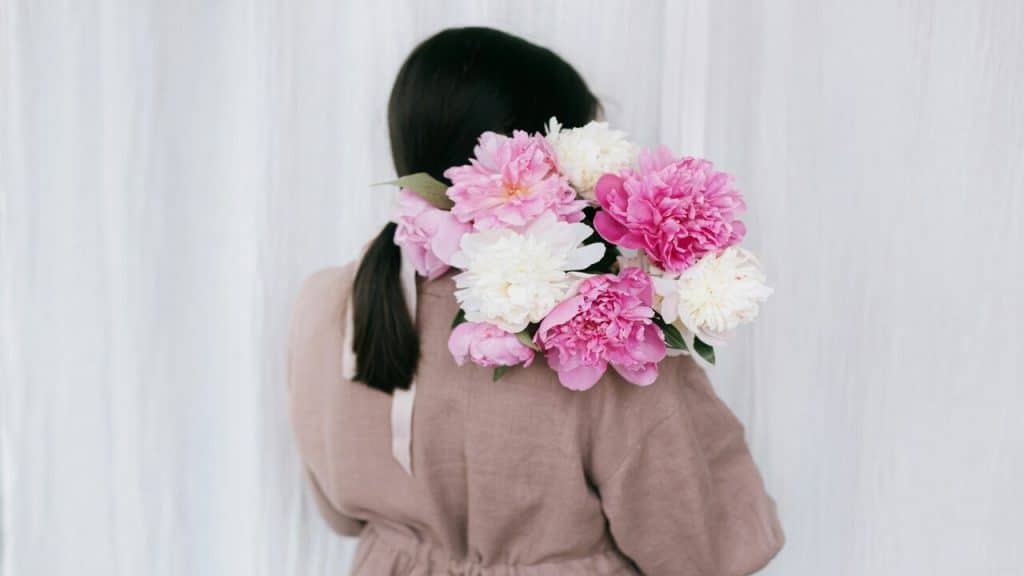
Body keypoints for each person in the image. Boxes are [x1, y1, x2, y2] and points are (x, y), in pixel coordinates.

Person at [287, 26, 784, 575]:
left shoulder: (329, 301)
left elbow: (339, 512)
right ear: (547, 165)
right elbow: (706, 547)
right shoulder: (601, 333)